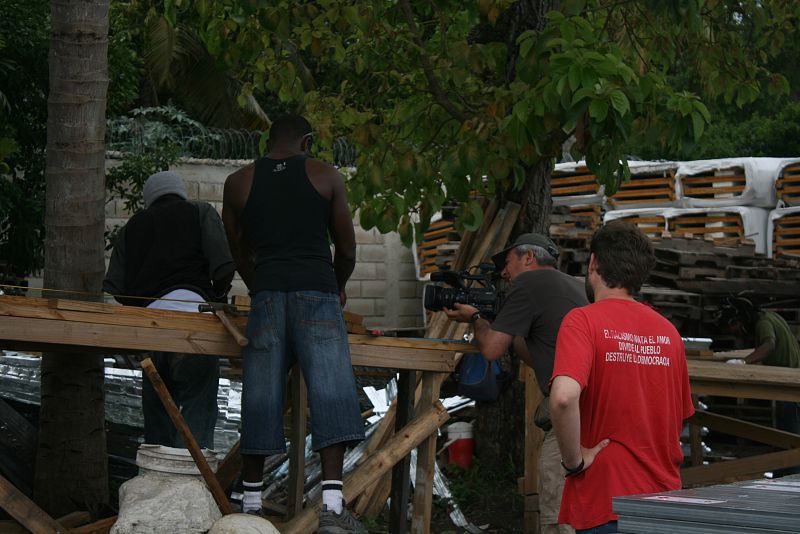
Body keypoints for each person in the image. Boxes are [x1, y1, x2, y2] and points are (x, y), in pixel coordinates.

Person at [222, 114, 365, 532]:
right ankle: (333, 508)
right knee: (331, 389)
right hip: (317, 293)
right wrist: (335, 288)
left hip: (267, 295)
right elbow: (349, 250)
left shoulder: (238, 182)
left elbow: (237, 246)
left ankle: (250, 508)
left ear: (268, 143)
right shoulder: (326, 176)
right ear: (307, 141)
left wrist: (259, 284)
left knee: (261, 392)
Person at [550, 220, 694, 534]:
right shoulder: (668, 332)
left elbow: (563, 397)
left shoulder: (582, 321)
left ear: (593, 263)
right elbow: (677, 419)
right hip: (664, 503)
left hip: (608, 502)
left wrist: (573, 461)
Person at [444, 232, 587, 534]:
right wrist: (508, 330)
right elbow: (543, 355)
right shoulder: (574, 285)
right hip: (600, 409)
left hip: (573, 412)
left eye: (507, 263)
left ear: (528, 258)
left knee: (558, 509)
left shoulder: (528, 283)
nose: (504, 274)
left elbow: (491, 349)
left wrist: (477, 318)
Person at [104, 170, 235, 449]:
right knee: (199, 407)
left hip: (152, 332)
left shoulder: (132, 227)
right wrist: (217, 295)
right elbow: (224, 267)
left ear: (149, 199)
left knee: (159, 415)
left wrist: (144, 309)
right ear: (181, 193)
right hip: (195, 325)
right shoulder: (200, 211)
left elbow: (115, 288)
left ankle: (157, 478)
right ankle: (192, 479)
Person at [716, 296, 800, 476]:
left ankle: (788, 480)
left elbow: (769, 345)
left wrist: (743, 363)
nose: (735, 332)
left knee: (789, 440)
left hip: (789, 388)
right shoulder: (771, 317)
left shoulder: (763, 323)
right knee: (788, 439)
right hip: (790, 384)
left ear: (740, 319)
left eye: (733, 327)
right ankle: (785, 477)